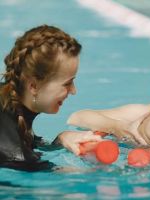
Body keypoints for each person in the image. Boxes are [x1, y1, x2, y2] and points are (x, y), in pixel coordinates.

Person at [0, 25, 129, 171]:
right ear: (33, 86)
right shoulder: (14, 153)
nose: (73, 91)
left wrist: (63, 138)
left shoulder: (10, 107)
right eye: (67, 83)